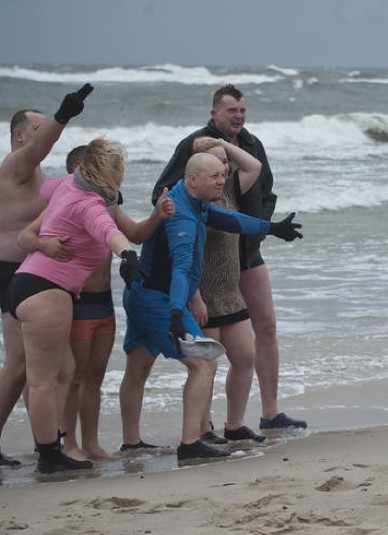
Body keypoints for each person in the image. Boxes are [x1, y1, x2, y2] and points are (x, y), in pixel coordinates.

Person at [120, 152, 302, 462]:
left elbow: (230, 220)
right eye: (215, 176)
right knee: (203, 363)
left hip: (142, 293)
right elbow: (181, 267)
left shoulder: (193, 201)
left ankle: (131, 443)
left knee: (138, 366)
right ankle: (191, 443)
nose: (222, 181)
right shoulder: (181, 215)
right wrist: (177, 312)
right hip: (159, 299)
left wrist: (269, 228)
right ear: (192, 180)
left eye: (223, 174)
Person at [153, 84, 307, 433]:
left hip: (247, 251)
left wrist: (264, 229)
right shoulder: (194, 148)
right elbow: (162, 194)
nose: (238, 116)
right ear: (214, 114)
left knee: (263, 327)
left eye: (242, 111)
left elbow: (264, 189)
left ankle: (268, 412)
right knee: (209, 347)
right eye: (231, 111)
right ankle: (202, 427)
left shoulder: (251, 146)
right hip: (206, 261)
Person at [18, 146, 176, 461]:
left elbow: (133, 234)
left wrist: (158, 215)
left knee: (95, 376)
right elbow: (25, 236)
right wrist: (45, 245)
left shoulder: (107, 202)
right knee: (73, 377)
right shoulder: (68, 199)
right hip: (75, 300)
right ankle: (69, 445)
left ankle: (91, 444)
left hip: (103, 301)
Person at [0, 84, 93, 468]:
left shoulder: (38, 173)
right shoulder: (17, 164)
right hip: (14, 273)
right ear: (20, 136)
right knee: (21, 366)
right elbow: (41, 148)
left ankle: (46, 444)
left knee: (53, 368)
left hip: (34, 272)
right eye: (38, 129)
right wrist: (63, 116)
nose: (44, 137)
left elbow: (65, 193)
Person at [189, 136, 266, 446]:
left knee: (246, 358)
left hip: (231, 293)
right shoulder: (193, 199)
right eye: (218, 163)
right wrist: (194, 296)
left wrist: (221, 142)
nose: (226, 167)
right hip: (204, 294)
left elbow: (254, 165)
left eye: (226, 162)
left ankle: (234, 424)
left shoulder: (230, 188)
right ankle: (201, 426)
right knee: (206, 366)